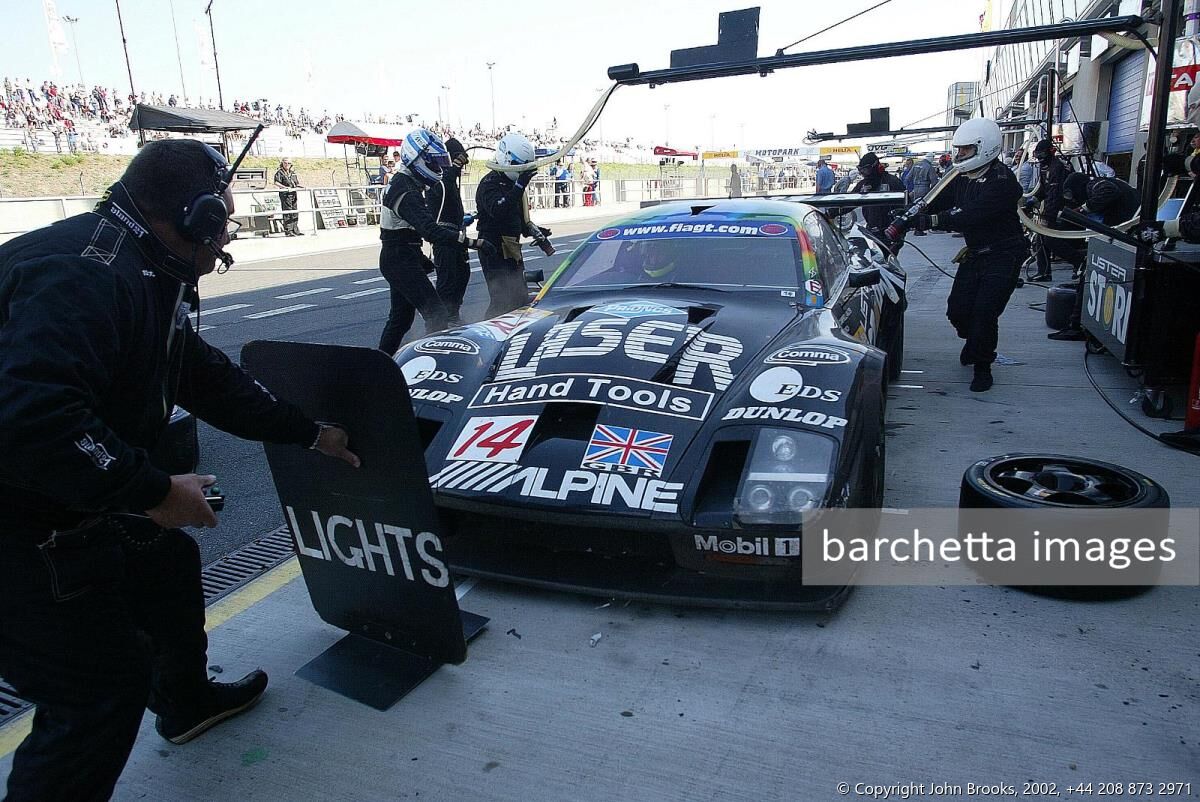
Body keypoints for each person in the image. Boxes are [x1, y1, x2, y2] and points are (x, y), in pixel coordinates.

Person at [0, 139, 361, 802]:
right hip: (16, 522)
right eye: (221, 220)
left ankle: (187, 702)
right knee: (98, 694)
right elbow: (36, 420)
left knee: (165, 563)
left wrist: (309, 433)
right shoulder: (90, 275)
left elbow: (205, 377)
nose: (226, 235)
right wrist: (154, 490)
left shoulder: (139, 265)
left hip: (50, 494)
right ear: (191, 220)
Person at [885, 117, 1027, 392]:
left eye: (965, 150)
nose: (959, 155)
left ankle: (983, 365)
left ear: (984, 148)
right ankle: (974, 340)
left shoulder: (1002, 182)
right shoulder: (961, 177)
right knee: (957, 310)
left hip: (1004, 254)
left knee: (985, 311)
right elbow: (936, 200)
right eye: (958, 149)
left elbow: (969, 215)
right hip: (975, 253)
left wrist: (931, 221)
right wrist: (908, 214)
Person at [378, 128, 495, 353]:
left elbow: (402, 232)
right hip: (400, 259)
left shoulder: (404, 182)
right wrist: (473, 243)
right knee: (437, 314)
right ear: (418, 158)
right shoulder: (407, 190)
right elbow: (430, 230)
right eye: (434, 163)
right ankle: (431, 361)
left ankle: (381, 364)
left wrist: (420, 258)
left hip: (402, 256)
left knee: (400, 319)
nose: (438, 169)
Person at [1047, 172, 1140, 341]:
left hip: (1123, 236)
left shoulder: (1096, 184)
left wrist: (1082, 209)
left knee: (1089, 275)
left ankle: (1076, 326)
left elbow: (1108, 191)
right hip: (1121, 234)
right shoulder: (1102, 184)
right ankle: (1079, 324)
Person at [475, 132, 555, 318]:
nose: (522, 175)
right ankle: (489, 332)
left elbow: (515, 218)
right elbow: (498, 210)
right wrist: (520, 186)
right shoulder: (489, 183)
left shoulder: (512, 185)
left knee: (519, 297)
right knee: (502, 299)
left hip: (510, 247)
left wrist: (533, 230)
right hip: (492, 248)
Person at [425, 136, 471, 326]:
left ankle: (453, 313)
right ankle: (439, 322)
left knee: (463, 273)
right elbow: (443, 184)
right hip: (443, 239)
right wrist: (456, 164)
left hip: (457, 237)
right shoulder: (438, 178)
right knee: (447, 280)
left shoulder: (451, 179)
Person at [1026, 138, 1077, 281]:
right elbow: (1044, 189)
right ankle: (1044, 272)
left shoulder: (1058, 167)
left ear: (1050, 152)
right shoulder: (1045, 167)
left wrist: (1049, 215)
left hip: (1063, 210)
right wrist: (1033, 201)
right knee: (1040, 239)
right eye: (1037, 155)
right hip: (1051, 208)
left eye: (1042, 155)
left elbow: (1056, 194)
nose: (1040, 158)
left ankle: (1079, 261)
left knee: (1051, 240)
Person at [851, 152, 908, 255]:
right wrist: (830, 213)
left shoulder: (892, 182)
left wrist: (900, 236)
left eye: (866, 170)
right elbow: (850, 201)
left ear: (875, 167)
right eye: (861, 170)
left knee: (888, 263)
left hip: (889, 234)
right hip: (871, 232)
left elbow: (906, 211)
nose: (863, 173)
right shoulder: (863, 184)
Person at [907, 153, 938, 235]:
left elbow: (908, 178)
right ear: (931, 158)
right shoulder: (929, 167)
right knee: (923, 208)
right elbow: (934, 182)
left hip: (915, 189)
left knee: (916, 208)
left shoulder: (916, 164)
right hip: (924, 189)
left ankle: (915, 227)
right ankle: (919, 229)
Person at [273, 158, 303, 236]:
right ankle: (288, 230)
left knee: (294, 211)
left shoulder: (292, 173)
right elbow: (276, 182)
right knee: (287, 212)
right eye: (285, 163)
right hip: (285, 194)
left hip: (293, 194)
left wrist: (301, 186)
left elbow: (296, 183)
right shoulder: (280, 172)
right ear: (282, 163)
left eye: (289, 163)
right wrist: (284, 188)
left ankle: (295, 230)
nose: (287, 165)